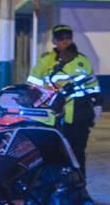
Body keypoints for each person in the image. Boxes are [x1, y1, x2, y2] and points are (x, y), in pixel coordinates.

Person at [27, 25, 101, 177]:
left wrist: (98, 104)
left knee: (77, 152)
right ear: (54, 41)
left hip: (80, 114)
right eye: (61, 38)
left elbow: (93, 85)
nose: (65, 41)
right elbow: (33, 87)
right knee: (53, 151)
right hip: (53, 115)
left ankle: (80, 185)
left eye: (68, 37)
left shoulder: (82, 60)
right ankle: (57, 185)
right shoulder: (45, 61)